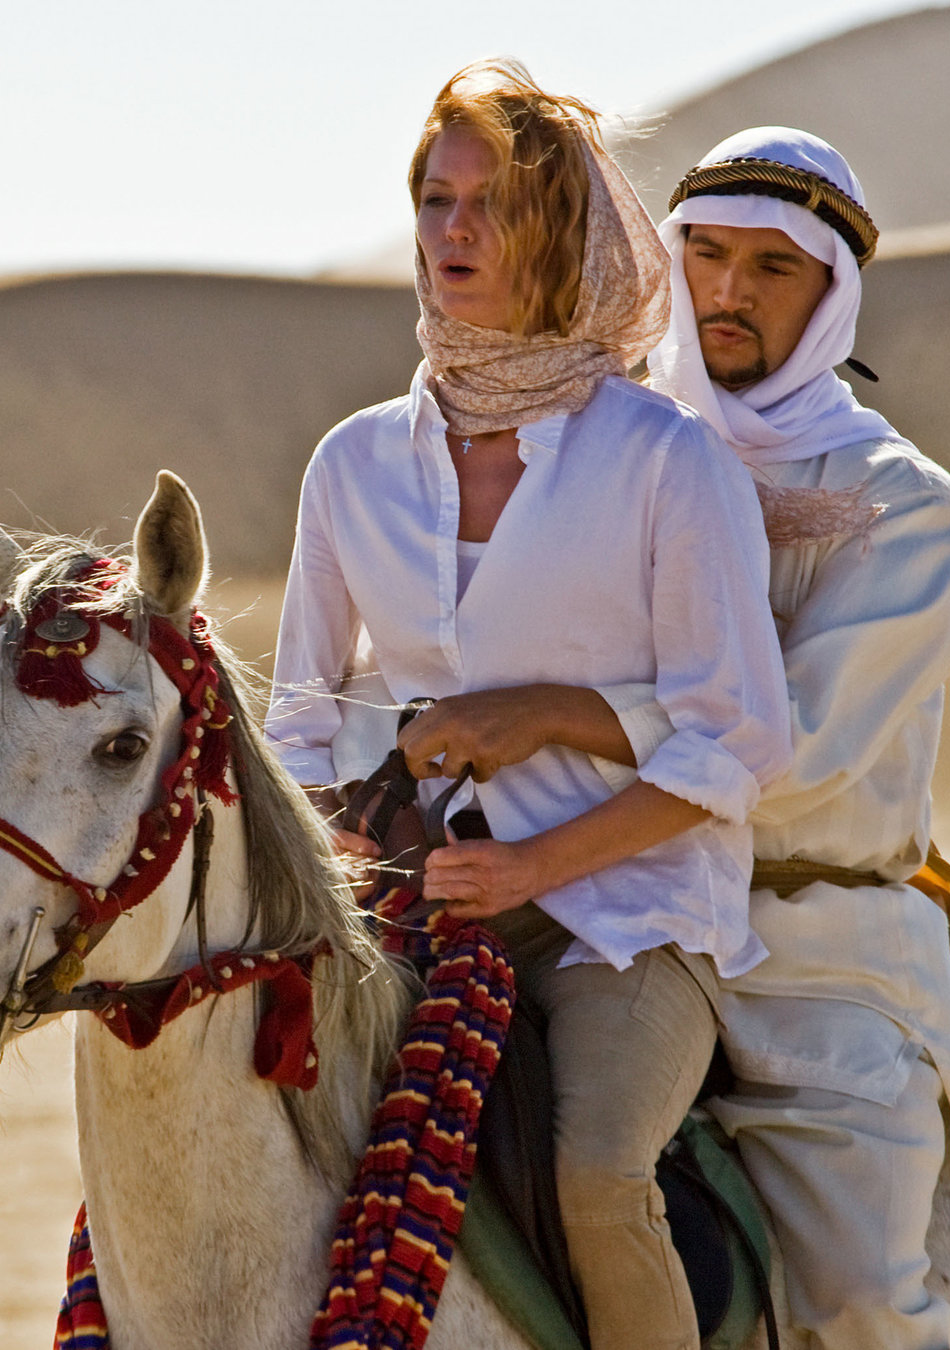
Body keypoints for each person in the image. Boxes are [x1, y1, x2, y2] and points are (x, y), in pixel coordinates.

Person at [268, 61, 791, 1350]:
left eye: (488, 205)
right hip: (411, 914)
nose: (451, 231)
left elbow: (743, 736)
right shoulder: (351, 466)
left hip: (627, 916)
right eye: (433, 200)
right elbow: (293, 719)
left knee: (597, 1181)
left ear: (560, 231)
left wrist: (534, 860)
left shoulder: (665, 462)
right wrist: (352, 856)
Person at [595, 127, 950, 1350]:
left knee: (857, 1303)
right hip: (599, 907)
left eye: (770, 266)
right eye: (701, 254)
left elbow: (790, 755)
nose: (724, 293)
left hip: (810, 954)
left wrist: (556, 737)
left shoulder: (900, 508)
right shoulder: (605, 453)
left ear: (831, 291)